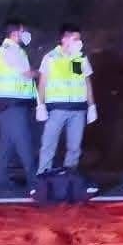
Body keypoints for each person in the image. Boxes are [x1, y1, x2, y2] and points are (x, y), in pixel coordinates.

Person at [37, 24, 96, 173]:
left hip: (78, 110)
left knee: (75, 148)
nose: (79, 42)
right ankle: (43, 177)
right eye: (75, 39)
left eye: (79, 39)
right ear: (64, 39)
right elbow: (42, 83)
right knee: (48, 145)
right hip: (57, 110)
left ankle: (70, 178)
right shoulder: (50, 57)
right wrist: (40, 105)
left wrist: (91, 106)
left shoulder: (80, 58)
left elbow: (86, 83)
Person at [0, 19, 38, 193]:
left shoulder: (12, 50)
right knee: (24, 142)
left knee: (7, 143)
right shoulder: (11, 50)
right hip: (12, 105)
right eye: (23, 31)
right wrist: (42, 73)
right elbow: (26, 74)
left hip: (8, 104)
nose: (26, 34)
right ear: (15, 33)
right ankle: (34, 181)